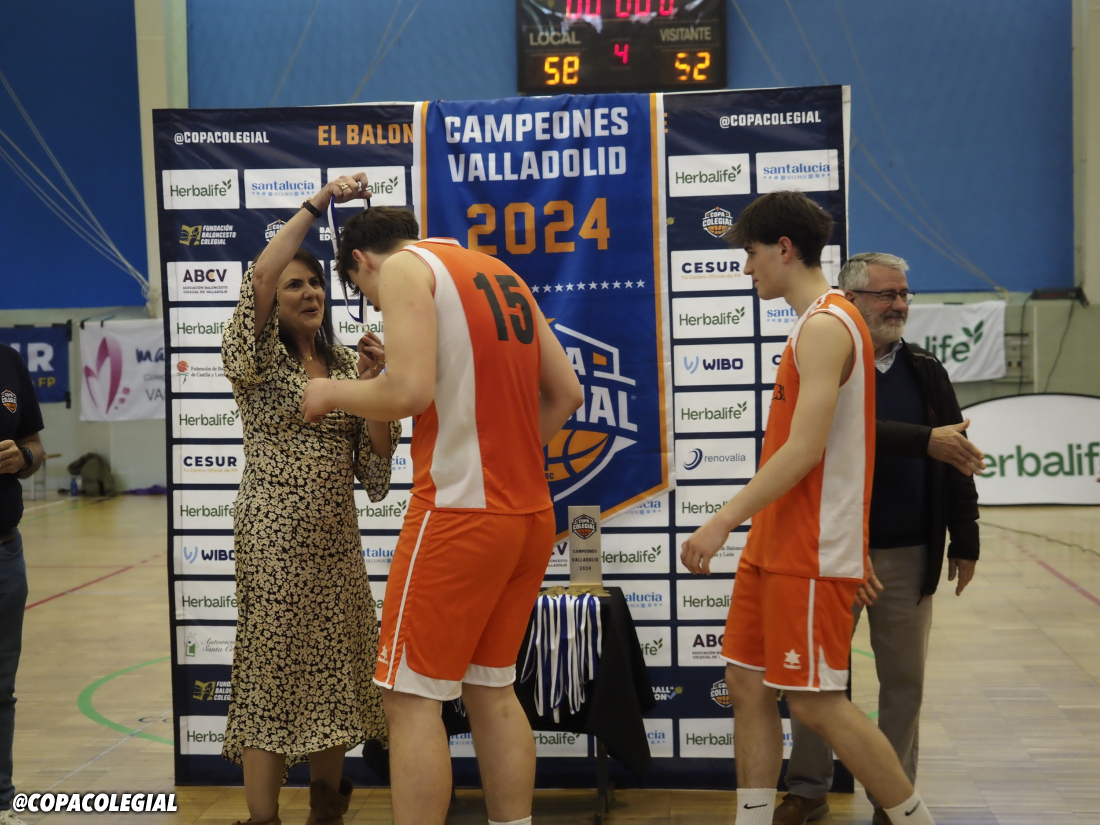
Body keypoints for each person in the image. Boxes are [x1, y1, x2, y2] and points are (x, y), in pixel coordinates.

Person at [300, 179, 583, 825]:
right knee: (491, 689)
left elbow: (409, 393)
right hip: (528, 515)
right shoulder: (498, 270)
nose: (377, 306)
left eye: (365, 294)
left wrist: (331, 392)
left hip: (459, 514)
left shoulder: (404, 266)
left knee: (406, 699)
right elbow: (567, 394)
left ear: (361, 261)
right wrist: (501, 456)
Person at [680, 191, 936, 825]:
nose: (747, 267)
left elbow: (805, 450)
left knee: (816, 702)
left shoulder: (826, 324)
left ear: (784, 249)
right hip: (779, 540)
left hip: (810, 546)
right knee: (745, 683)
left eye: (751, 252)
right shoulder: (817, 322)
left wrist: (720, 520)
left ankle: (914, 817)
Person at [774, 252, 982, 825]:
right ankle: (808, 789)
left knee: (905, 684)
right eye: (886, 294)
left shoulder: (925, 369)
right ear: (851, 298)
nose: (898, 305)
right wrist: (923, 439)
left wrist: (965, 539)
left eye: (904, 294)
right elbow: (838, 433)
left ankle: (894, 799)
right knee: (819, 681)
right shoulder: (828, 355)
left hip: (909, 551)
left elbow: (957, 451)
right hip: (833, 550)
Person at [220, 175, 400, 825]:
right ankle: (262, 819)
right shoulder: (256, 355)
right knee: (270, 678)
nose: (310, 293)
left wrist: (377, 388)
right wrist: (319, 201)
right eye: (296, 284)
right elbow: (260, 276)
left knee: (335, 677)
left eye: (317, 283)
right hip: (273, 543)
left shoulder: (348, 364)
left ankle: (327, 813)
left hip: (336, 549)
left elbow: (375, 473)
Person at [0, 343, 45, 825]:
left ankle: (1, 800)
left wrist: (23, 456)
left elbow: (35, 448)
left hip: (5, 553)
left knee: (1, 689)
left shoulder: (8, 361)